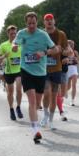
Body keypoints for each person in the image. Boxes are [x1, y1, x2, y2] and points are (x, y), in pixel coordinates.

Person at [14, 12, 58, 143]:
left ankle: (35, 125)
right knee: (32, 101)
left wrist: (44, 52)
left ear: (37, 22)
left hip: (40, 72)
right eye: (29, 24)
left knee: (37, 103)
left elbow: (55, 49)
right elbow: (15, 44)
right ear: (26, 23)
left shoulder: (43, 35)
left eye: (33, 23)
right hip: (26, 70)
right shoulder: (21, 33)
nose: (31, 26)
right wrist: (15, 47)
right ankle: (35, 130)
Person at [41, 13, 67, 129]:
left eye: (51, 19)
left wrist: (67, 53)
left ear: (54, 21)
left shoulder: (61, 34)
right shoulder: (40, 34)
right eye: (47, 20)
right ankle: (45, 115)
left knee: (54, 96)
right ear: (44, 23)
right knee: (46, 93)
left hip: (57, 69)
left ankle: (50, 120)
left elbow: (65, 50)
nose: (49, 22)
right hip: (43, 69)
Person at [0, 25, 24, 121]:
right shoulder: (3, 45)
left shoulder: (21, 43)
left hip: (19, 70)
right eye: (11, 33)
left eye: (15, 33)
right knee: (10, 92)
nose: (13, 35)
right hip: (8, 71)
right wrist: (4, 56)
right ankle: (11, 109)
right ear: (8, 34)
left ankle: (18, 107)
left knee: (19, 89)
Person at [64, 39, 79, 107]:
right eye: (70, 44)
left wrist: (77, 61)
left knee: (74, 85)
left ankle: (72, 100)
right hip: (67, 70)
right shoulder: (65, 52)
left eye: (73, 45)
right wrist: (67, 61)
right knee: (68, 86)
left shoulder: (75, 52)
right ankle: (64, 92)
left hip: (74, 69)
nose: (72, 46)